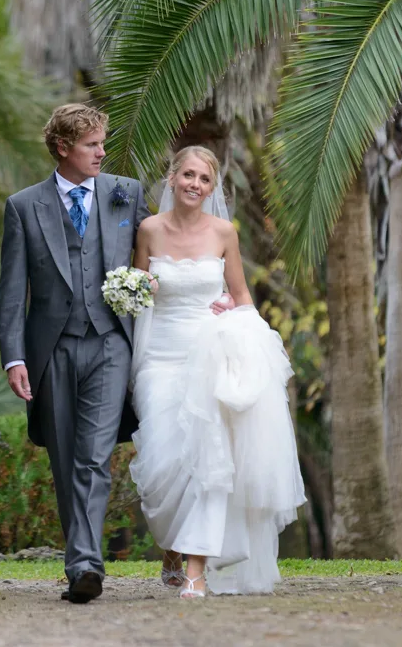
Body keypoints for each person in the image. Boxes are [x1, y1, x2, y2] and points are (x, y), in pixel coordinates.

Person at [0, 105, 233, 604]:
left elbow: (172, 236)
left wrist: (217, 283)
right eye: (92, 145)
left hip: (110, 345)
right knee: (65, 459)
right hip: (52, 351)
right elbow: (12, 290)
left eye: (103, 143)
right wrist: (13, 357)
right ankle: (81, 557)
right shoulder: (23, 206)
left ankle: (85, 566)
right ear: (63, 148)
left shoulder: (125, 193)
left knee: (95, 457)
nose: (103, 152)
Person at [129, 145, 306, 597]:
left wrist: (234, 311)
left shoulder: (224, 232)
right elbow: (136, 292)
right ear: (171, 179)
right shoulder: (148, 230)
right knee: (161, 462)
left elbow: (242, 295)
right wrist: (133, 289)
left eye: (204, 179)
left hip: (208, 356)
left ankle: (195, 569)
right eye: (187, 175)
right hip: (159, 359)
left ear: (212, 188)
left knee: (206, 457)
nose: (195, 184)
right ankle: (172, 545)